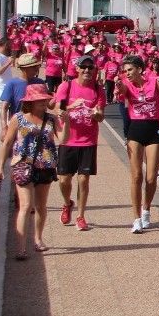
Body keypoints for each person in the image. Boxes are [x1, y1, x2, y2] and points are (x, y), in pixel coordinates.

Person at [114, 54, 159, 234]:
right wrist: (118, 85)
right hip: (135, 129)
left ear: (139, 69)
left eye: (130, 70)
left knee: (151, 177)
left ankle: (146, 209)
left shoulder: (155, 82)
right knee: (136, 176)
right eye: (125, 71)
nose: (127, 73)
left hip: (154, 128)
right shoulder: (125, 83)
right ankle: (136, 218)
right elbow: (121, 91)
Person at [0, 84, 65, 260]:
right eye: (39, 101)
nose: (43, 103)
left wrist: (67, 121)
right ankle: (21, 247)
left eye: (44, 100)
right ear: (31, 103)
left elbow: (63, 139)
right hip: (23, 165)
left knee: (41, 206)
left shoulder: (50, 119)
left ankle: (38, 239)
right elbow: (7, 143)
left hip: (46, 165)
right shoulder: (18, 118)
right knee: (26, 206)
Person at [53, 56, 105, 232]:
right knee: (64, 180)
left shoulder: (98, 89)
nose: (87, 71)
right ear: (77, 69)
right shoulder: (66, 86)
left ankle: (81, 216)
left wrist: (96, 114)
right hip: (68, 139)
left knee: (83, 180)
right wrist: (72, 106)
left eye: (91, 68)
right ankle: (67, 203)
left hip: (88, 141)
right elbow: (57, 109)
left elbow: (101, 116)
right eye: (84, 67)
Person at [0, 53, 46, 136]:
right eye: (34, 67)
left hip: (37, 125)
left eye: (37, 66)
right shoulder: (12, 84)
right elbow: (4, 108)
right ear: (24, 69)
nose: (37, 69)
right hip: (18, 125)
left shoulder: (40, 83)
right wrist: (4, 128)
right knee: (18, 146)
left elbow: (48, 104)